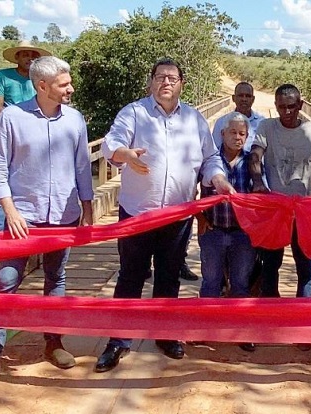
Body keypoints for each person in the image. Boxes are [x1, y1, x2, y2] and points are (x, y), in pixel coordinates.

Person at [94, 58, 234, 373]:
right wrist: (124, 154)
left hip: (178, 215)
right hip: (137, 214)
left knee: (169, 277)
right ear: (151, 82)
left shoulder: (195, 120)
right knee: (130, 276)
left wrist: (218, 178)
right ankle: (118, 340)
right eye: (160, 77)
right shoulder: (134, 113)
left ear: (182, 83)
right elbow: (111, 144)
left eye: (172, 77)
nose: (166, 82)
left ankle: (165, 334)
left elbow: (210, 157)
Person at [0, 56, 94, 389]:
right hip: (22, 217)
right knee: (7, 281)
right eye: (64, 84)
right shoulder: (11, 118)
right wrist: (9, 210)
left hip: (64, 216)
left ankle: (54, 343)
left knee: (57, 278)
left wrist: (88, 207)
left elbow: (83, 166)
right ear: (42, 86)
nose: (71, 88)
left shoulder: (75, 120)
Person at [250, 84, 311, 300]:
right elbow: (255, 156)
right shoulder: (267, 127)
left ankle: (303, 310)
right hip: (276, 210)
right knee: (270, 265)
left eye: (292, 106)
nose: (287, 112)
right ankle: (271, 310)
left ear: (300, 105)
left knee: (306, 267)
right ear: (276, 106)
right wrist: (257, 182)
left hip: (304, 211)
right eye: (282, 107)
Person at [197, 113, 258, 351]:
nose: (237, 137)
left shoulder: (251, 163)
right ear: (222, 133)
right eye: (232, 132)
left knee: (241, 283)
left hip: (242, 234)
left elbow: (261, 193)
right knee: (211, 282)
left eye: (242, 133)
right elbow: (191, 192)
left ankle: (241, 330)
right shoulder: (210, 161)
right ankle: (205, 329)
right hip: (213, 231)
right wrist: (199, 216)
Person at [0, 40, 52, 232]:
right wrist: (19, 120)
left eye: (33, 55)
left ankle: (38, 226)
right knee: (3, 173)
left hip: (40, 134)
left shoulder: (42, 80)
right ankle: (3, 228)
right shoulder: (2, 76)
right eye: (25, 54)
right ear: (17, 57)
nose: (29, 58)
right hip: (11, 133)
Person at [212, 81, 266, 152]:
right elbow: (214, 152)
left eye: (248, 96)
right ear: (233, 98)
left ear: (253, 99)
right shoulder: (221, 123)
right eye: (240, 95)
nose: (244, 99)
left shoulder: (262, 123)